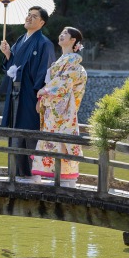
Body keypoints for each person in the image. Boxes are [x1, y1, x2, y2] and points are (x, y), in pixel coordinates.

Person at [0, 6, 56, 180]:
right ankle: (16, 171)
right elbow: (13, 68)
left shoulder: (44, 43)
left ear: (42, 22)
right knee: (15, 128)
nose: (29, 18)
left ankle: (32, 173)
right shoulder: (20, 40)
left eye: (34, 16)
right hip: (15, 92)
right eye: (28, 15)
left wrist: (40, 97)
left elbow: (45, 72)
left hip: (31, 95)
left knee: (30, 130)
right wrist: (8, 54)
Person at [32, 27, 88, 187]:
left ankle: (67, 179)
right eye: (61, 32)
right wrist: (44, 98)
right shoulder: (62, 61)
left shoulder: (74, 63)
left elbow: (63, 83)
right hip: (53, 107)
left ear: (73, 41)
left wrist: (44, 91)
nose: (61, 35)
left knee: (64, 138)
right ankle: (56, 176)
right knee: (51, 138)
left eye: (65, 34)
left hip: (64, 108)